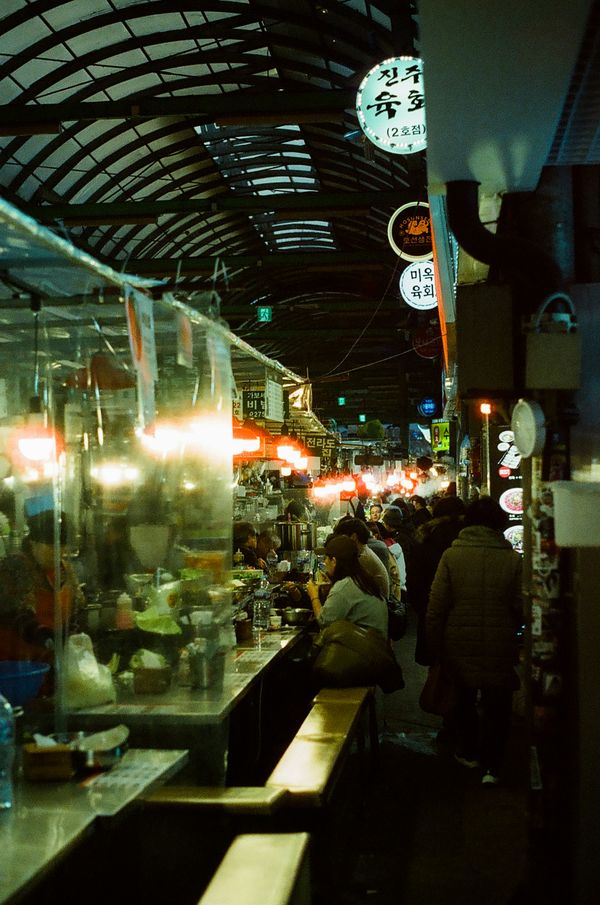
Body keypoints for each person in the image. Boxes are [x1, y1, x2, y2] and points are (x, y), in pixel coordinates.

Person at [426, 497, 522, 785]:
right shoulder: (512, 558)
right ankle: (492, 765)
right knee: (498, 703)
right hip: (500, 642)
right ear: (499, 524)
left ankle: (469, 752)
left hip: (458, 642)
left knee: (464, 699)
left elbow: (437, 605)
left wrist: (434, 644)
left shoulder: (451, 556)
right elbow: (520, 605)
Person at [409, 496, 466, 666]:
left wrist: (422, 609)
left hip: (433, 611)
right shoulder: (470, 537)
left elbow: (414, 580)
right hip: (466, 616)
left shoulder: (426, 538)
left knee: (439, 673)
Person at [306, 534, 388, 636]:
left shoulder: (343, 587)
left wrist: (314, 596)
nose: (325, 562)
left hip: (361, 649)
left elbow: (324, 622)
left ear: (334, 561)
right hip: (377, 644)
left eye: (326, 558)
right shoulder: (362, 578)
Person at [331, 517, 390, 600]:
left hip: (375, 607)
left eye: (342, 538)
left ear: (354, 537)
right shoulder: (362, 552)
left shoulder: (363, 558)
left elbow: (346, 587)